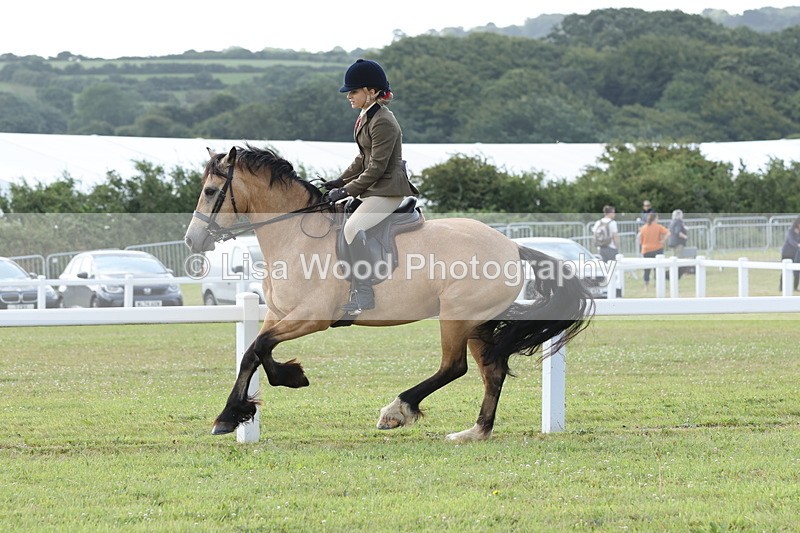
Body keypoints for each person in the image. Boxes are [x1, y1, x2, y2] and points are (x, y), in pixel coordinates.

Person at [322, 58, 418, 314]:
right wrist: (339, 181)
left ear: (372, 92)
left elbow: (375, 168)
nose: (348, 96)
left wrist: (346, 191)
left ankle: (364, 293)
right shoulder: (367, 116)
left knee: (353, 227)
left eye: (353, 91)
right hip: (375, 188)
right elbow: (361, 159)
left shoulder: (383, 121)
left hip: (388, 190)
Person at [638, 212, 670, 289]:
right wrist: (663, 240)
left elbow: (640, 240)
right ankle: (657, 284)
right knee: (658, 268)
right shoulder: (658, 227)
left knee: (647, 268)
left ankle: (646, 285)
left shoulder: (643, 228)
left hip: (646, 249)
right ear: (655, 219)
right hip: (657, 248)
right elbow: (668, 233)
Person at [779, 215, 800, 291]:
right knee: (784, 270)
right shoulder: (791, 230)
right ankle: (781, 287)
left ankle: (795, 287)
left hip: (796, 254)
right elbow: (791, 240)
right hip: (787, 252)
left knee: (797, 271)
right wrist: (797, 244)